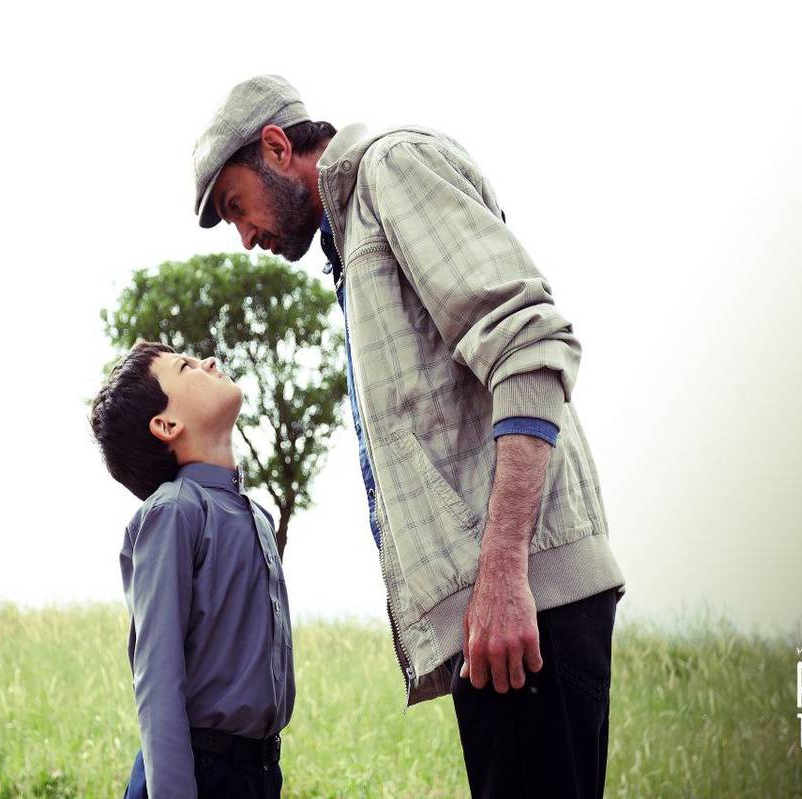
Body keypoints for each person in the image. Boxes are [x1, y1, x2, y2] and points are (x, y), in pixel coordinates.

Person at [190, 75, 628, 798]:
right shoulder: (352, 235)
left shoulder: (392, 169)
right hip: (502, 611)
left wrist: (503, 575)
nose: (245, 237)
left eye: (238, 206)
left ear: (276, 147)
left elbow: (529, 345)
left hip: (524, 603)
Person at [89, 340, 294, 799]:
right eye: (186, 366)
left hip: (259, 772)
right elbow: (158, 680)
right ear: (167, 425)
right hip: (196, 774)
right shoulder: (175, 511)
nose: (210, 361)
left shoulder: (258, 517)